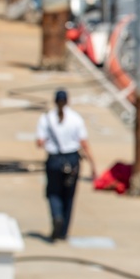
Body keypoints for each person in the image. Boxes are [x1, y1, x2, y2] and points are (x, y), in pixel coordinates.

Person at [35, 89, 96, 241]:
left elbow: (40, 143)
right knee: (69, 196)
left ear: (55, 101)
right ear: (67, 101)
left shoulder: (46, 118)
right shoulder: (76, 119)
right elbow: (84, 144)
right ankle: (63, 232)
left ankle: (57, 216)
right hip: (72, 160)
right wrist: (93, 166)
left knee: (53, 193)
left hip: (54, 160)